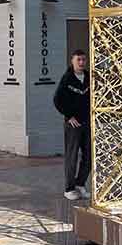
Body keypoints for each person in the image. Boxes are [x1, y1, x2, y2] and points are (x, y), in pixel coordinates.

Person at [53, 49, 91, 201]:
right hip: (73, 125)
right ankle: (69, 188)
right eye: (78, 60)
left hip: (87, 122)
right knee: (72, 156)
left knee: (89, 156)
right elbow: (57, 100)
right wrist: (69, 116)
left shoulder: (88, 77)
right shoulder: (67, 78)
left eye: (83, 60)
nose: (81, 63)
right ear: (72, 61)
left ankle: (80, 184)